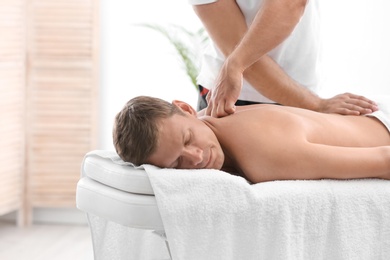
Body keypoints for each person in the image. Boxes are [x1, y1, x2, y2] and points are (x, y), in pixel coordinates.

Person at [113, 96, 390, 184]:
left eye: (188, 140)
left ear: (186, 108)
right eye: (177, 163)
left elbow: (384, 161)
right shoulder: (208, 118)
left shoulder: (265, 154)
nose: (196, 158)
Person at [189, 0, 378, 117]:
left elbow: (290, 3)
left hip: (300, 95)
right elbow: (235, 45)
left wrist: (235, 64)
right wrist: (317, 105)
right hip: (229, 97)